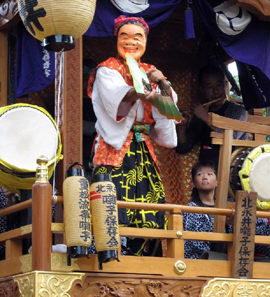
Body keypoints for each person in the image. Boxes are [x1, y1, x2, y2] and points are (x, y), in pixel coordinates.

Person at [87, 15, 178, 256]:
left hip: (143, 146)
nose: (130, 42)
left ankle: (143, 254)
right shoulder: (107, 69)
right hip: (114, 148)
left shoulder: (152, 71)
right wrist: (139, 92)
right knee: (113, 201)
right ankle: (110, 252)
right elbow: (117, 95)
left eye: (137, 37)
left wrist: (164, 84)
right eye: (124, 36)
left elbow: (171, 103)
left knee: (149, 204)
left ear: (145, 42)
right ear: (116, 40)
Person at [183, 160, 270, 260]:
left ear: (216, 182)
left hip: (230, 258)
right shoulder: (191, 209)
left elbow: (252, 234)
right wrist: (224, 223)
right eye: (200, 174)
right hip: (202, 259)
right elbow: (198, 244)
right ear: (193, 183)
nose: (205, 177)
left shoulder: (227, 206)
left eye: (209, 174)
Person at [176, 64, 248, 169]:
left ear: (225, 85)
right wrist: (182, 126)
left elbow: (232, 136)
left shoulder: (237, 111)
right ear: (202, 90)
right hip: (206, 175)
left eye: (219, 85)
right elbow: (183, 148)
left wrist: (207, 118)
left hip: (232, 171)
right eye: (209, 87)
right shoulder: (201, 114)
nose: (215, 91)